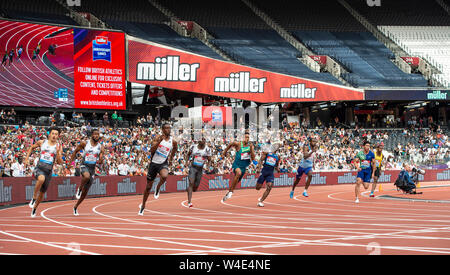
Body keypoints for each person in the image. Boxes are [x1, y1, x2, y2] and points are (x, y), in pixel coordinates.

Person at [139, 123, 178, 215]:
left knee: (164, 176)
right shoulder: (157, 138)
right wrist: (159, 142)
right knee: (148, 187)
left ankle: (158, 187)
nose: (168, 130)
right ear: (162, 130)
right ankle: (143, 205)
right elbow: (151, 150)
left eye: (169, 128)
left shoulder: (173, 141)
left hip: (163, 163)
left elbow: (175, 149)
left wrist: (171, 159)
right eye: (166, 128)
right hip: (153, 164)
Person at [24, 127, 63, 218]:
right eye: (53, 133)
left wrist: (57, 153)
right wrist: (26, 159)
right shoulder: (42, 142)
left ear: (58, 136)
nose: (54, 136)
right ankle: (33, 198)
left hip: (48, 171)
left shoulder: (58, 147)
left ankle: (34, 208)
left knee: (42, 193)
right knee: (41, 179)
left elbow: (60, 162)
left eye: (56, 134)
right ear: (49, 134)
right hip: (40, 168)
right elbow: (31, 147)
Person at [68, 129, 104, 216]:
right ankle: (79, 189)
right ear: (92, 135)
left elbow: (101, 159)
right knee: (86, 176)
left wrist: (101, 160)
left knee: (85, 193)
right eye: (95, 134)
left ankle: (75, 207)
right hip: (84, 165)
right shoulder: (85, 143)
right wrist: (70, 163)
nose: (96, 136)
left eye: (98, 134)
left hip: (92, 168)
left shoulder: (100, 147)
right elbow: (76, 151)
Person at [221, 131, 256, 202]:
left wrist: (252, 150)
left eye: (248, 137)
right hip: (236, 165)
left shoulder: (250, 146)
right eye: (246, 137)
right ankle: (231, 191)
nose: (247, 139)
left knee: (237, 180)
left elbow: (253, 157)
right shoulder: (239, 144)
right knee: (238, 173)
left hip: (244, 167)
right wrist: (224, 152)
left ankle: (229, 191)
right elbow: (230, 144)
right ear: (243, 138)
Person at [185, 137, 212, 208]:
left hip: (200, 170)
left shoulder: (207, 149)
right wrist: (186, 162)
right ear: (199, 141)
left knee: (195, 187)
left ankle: (189, 189)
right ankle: (189, 202)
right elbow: (188, 154)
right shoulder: (193, 147)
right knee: (191, 182)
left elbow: (209, 160)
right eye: (202, 140)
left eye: (204, 140)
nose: (204, 141)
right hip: (193, 168)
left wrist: (208, 167)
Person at [255, 142, 281, 207]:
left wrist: (277, 169)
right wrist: (258, 168)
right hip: (264, 172)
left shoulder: (278, 156)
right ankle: (261, 185)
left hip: (270, 173)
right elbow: (261, 160)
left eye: (277, 147)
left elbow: (277, 164)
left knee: (269, 186)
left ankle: (261, 201)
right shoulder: (267, 153)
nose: (276, 147)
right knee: (257, 188)